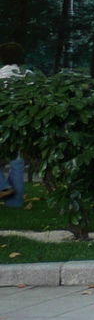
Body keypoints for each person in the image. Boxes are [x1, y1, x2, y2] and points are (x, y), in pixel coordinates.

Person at [0, 42, 25, 207]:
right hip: (21, 123)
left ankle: (3, 186)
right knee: (17, 162)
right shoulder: (28, 76)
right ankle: (15, 203)